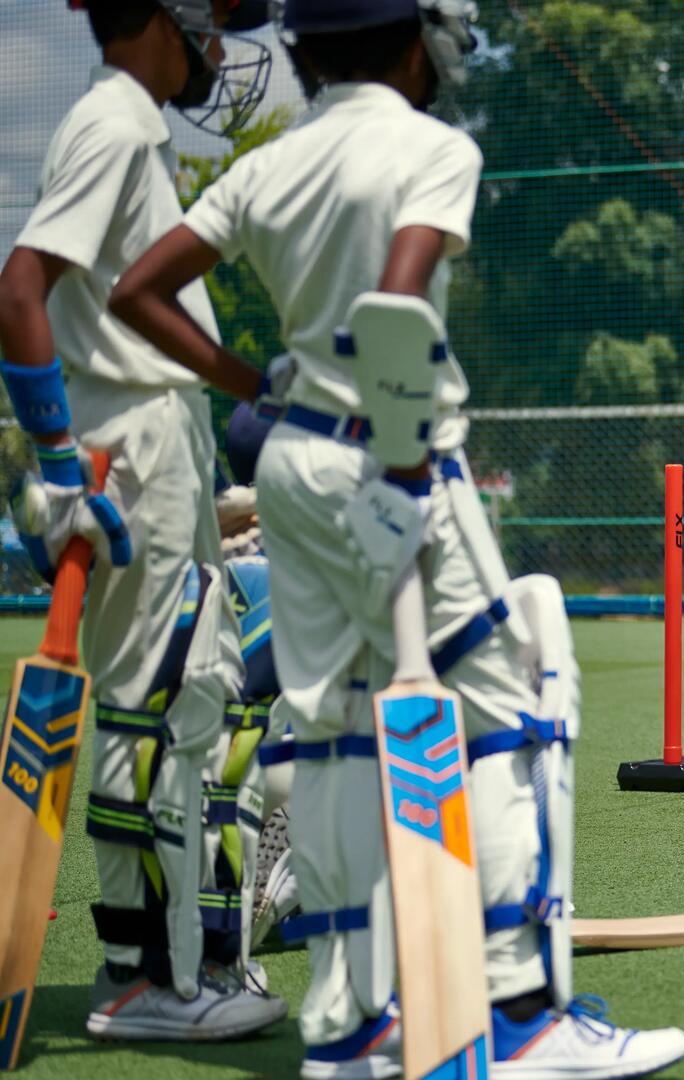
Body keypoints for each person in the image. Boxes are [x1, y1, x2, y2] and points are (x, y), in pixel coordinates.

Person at [109, 2, 684, 1076]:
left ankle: (354, 1027)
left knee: (331, 736)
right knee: (514, 713)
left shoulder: (271, 165)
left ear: (303, 47)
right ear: (418, 41)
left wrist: (263, 383)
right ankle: (523, 1022)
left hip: (288, 469)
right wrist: (403, 471)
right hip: (397, 457)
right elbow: (396, 306)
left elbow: (136, 290)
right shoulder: (432, 149)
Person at [0, 0, 285, 1042]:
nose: (222, 49)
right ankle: (136, 979)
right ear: (164, 17)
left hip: (161, 443)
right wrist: (58, 462)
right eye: (210, 22)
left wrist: (247, 386)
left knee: (184, 698)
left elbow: (133, 301)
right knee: (149, 710)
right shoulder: (114, 120)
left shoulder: (129, 125)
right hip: (130, 447)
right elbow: (22, 286)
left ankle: (164, 969)